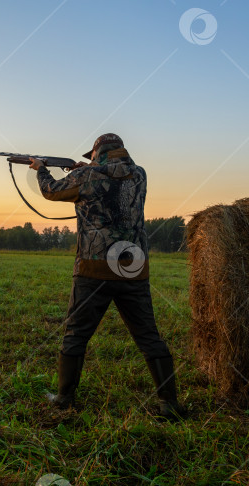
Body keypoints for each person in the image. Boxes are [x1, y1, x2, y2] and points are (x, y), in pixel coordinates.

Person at [29, 133, 187, 422]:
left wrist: (41, 168)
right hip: (133, 267)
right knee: (149, 336)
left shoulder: (87, 175)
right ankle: (169, 404)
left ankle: (64, 400)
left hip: (94, 266)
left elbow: (51, 190)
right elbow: (112, 178)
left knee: (76, 333)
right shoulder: (139, 174)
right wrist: (83, 169)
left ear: (97, 152)